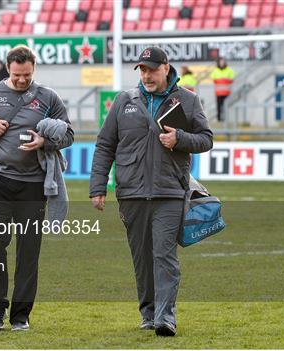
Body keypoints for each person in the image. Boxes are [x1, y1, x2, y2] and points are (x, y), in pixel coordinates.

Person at [89, 46, 213, 337]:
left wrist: (179, 138)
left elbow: (206, 139)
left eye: (152, 69)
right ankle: (148, 312)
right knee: (142, 257)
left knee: (164, 254)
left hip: (169, 192)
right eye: (142, 70)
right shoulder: (124, 101)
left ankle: (165, 317)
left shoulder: (188, 100)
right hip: (131, 193)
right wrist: (98, 187)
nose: (146, 75)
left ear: (166, 68)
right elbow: (105, 145)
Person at [0, 45, 74, 331]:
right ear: (8, 68)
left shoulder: (48, 97)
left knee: (28, 251)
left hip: (33, 185)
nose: (22, 80)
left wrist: (45, 142)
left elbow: (69, 133)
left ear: (33, 68)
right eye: (16, 75)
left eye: (26, 75)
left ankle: (21, 315)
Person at [210, 57, 235, 122]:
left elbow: (232, 79)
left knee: (225, 107)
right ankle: (219, 119)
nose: (222, 63)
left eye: (223, 62)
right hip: (218, 93)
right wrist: (224, 80)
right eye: (221, 62)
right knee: (219, 107)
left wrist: (222, 80)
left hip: (226, 92)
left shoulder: (229, 70)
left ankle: (225, 119)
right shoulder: (215, 70)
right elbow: (213, 79)